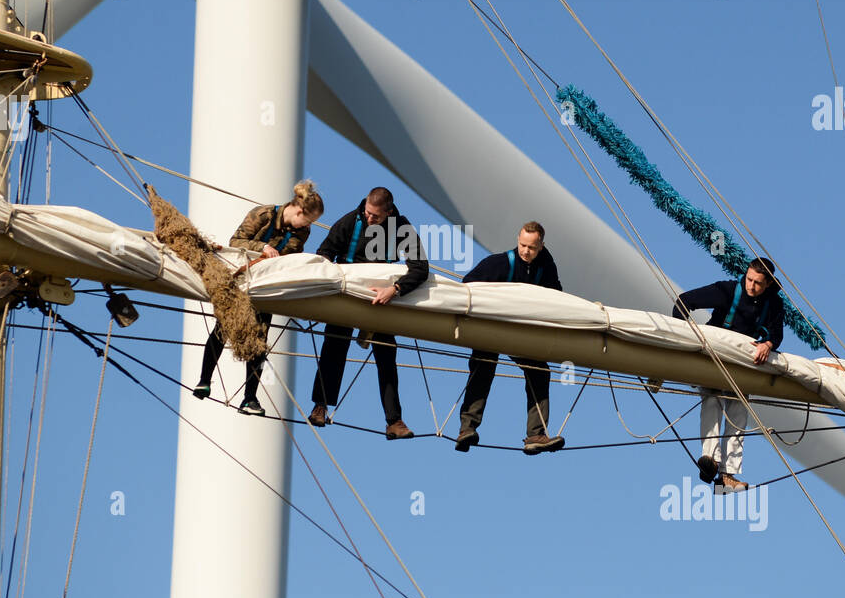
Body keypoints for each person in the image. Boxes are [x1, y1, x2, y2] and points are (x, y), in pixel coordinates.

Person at [193, 180, 325, 415]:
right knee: (223, 329)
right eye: (308, 219)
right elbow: (235, 242)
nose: (308, 226)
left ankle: (250, 398)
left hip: (267, 286)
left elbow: (292, 255)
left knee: (260, 342)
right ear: (298, 210)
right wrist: (262, 247)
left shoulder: (302, 232)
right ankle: (204, 380)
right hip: (242, 280)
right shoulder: (262, 214)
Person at [308, 187, 429, 439]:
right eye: (368, 213)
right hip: (348, 293)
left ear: (389, 211)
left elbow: (420, 267)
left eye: (375, 216)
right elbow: (325, 252)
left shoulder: (401, 227)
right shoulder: (352, 220)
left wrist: (395, 289)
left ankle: (394, 421)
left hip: (380, 297)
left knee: (386, 354)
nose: (370, 218)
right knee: (334, 345)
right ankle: (320, 405)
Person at [672, 257, 785, 492]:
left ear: (768, 285)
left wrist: (769, 344)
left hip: (743, 362)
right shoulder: (727, 290)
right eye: (749, 279)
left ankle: (727, 475)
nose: (751, 286)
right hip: (716, 355)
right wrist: (683, 337)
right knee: (712, 398)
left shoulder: (773, 303)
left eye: (758, 283)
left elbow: (777, 332)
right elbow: (684, 302)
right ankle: (709, 460)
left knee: (739, 410)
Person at [455, 222, 566, 455]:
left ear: (541, 246)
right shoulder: (500, 263)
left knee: (539, 371)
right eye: (523, 245)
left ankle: (535, 435)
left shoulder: (546, 268)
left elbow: (557, 298)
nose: (526, 251)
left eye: (532, 248)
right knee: (483, 367)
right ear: (518, 240)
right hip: (491, 328)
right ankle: (467, 429)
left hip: (519, 332)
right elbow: (465, 286)